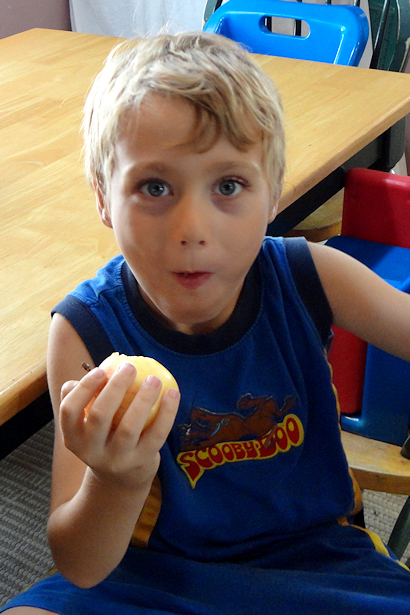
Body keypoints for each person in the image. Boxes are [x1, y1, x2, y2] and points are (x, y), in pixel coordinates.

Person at [3, 31, 410, 615]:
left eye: (228, 185)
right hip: (151, 577)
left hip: (315, 563)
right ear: (101, 196)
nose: (192, 228)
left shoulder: (310, 275)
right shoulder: (84, 331)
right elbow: (82, 564)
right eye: (154, 187)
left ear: (272, 193)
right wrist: (116, 480)